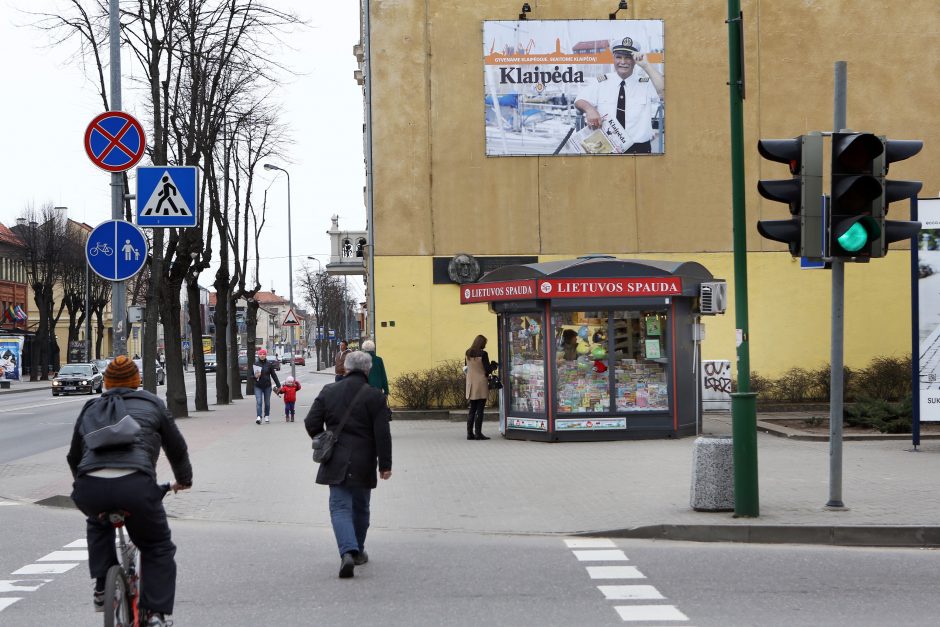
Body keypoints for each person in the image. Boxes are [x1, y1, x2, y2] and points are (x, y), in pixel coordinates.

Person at [66, 355, 192, 627]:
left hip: (91, 486)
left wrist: (84, 484)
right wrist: (184, 479)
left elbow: (73, 456)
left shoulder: (91, 407)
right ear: (137, 382)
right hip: (136, 486)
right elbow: (177, 448)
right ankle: (156, 615)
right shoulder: (152, 404)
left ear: (107, 383)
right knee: (157, 546)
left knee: (97, 521)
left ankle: (102, 587)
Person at [304, 350, 392, 579]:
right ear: (368, 370)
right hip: (364, 459)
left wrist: (324, 437)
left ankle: (346, 552)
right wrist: (385, 464)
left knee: (340, 507)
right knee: (361, 507)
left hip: (336, 459)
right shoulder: (375, 396)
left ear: (345, 368)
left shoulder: (329, 391)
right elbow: (383, 434)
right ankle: (358, 551)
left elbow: (311, 421)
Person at [574, 37, 665, 154]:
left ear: (634, 60)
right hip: (606, 147)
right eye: (619, 57)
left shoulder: (645, 83)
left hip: (638, 149)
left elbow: (665, 92)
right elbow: (579, 100)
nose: (623, 62)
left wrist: (646, 65)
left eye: (628, 57)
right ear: (613, 58)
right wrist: (590, 109)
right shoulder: (602, 82)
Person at [465, 334, 497, 441]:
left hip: (471, 384)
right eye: (485, 344)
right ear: (482, 343)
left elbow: (466, 367)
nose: (485, 346)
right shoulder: (483, 354)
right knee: (480, 410)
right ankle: (478, 434)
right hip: (481, 383)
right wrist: (494, 366)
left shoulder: (467, 353)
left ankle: (470, 434)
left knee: (472, 410)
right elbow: (487, 369)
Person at [253, 348, 281, 424]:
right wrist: (255, 376)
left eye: (263, 354)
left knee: (267, 402)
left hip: (267, 386)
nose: (262, 355)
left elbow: (274, 375)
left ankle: (266, 416)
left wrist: (279, 386)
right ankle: (259, 417)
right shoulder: (255, 364)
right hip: (258, 386)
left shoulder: (269, 364)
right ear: (258, 355)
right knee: (259, 402)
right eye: (260, 354)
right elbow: (250, 376)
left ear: (265, 355)